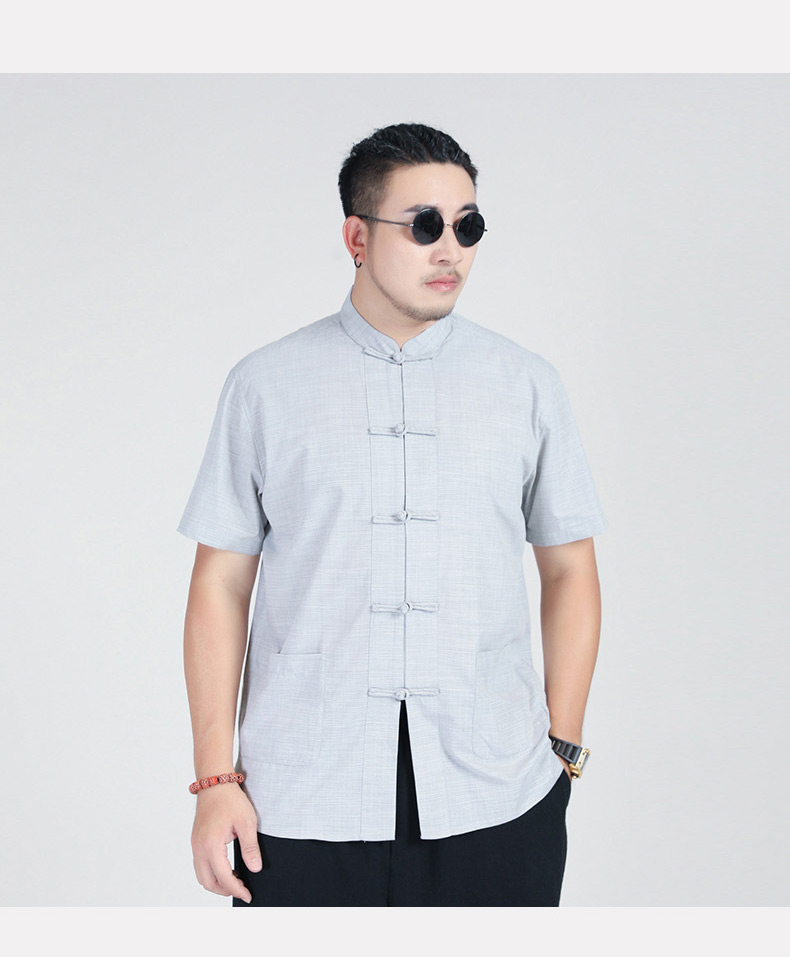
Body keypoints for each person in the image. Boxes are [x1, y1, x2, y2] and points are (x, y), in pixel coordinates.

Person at [177, 122, 608, 907]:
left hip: (499, 798)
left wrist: (563, 750)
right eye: (424, 225)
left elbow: (571, 567)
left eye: (468, 226)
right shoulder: (265, 386)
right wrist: (214, 779)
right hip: (301, 804)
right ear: (357, 237)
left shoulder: (526, 385)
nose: (451, 250)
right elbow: (221, 584)